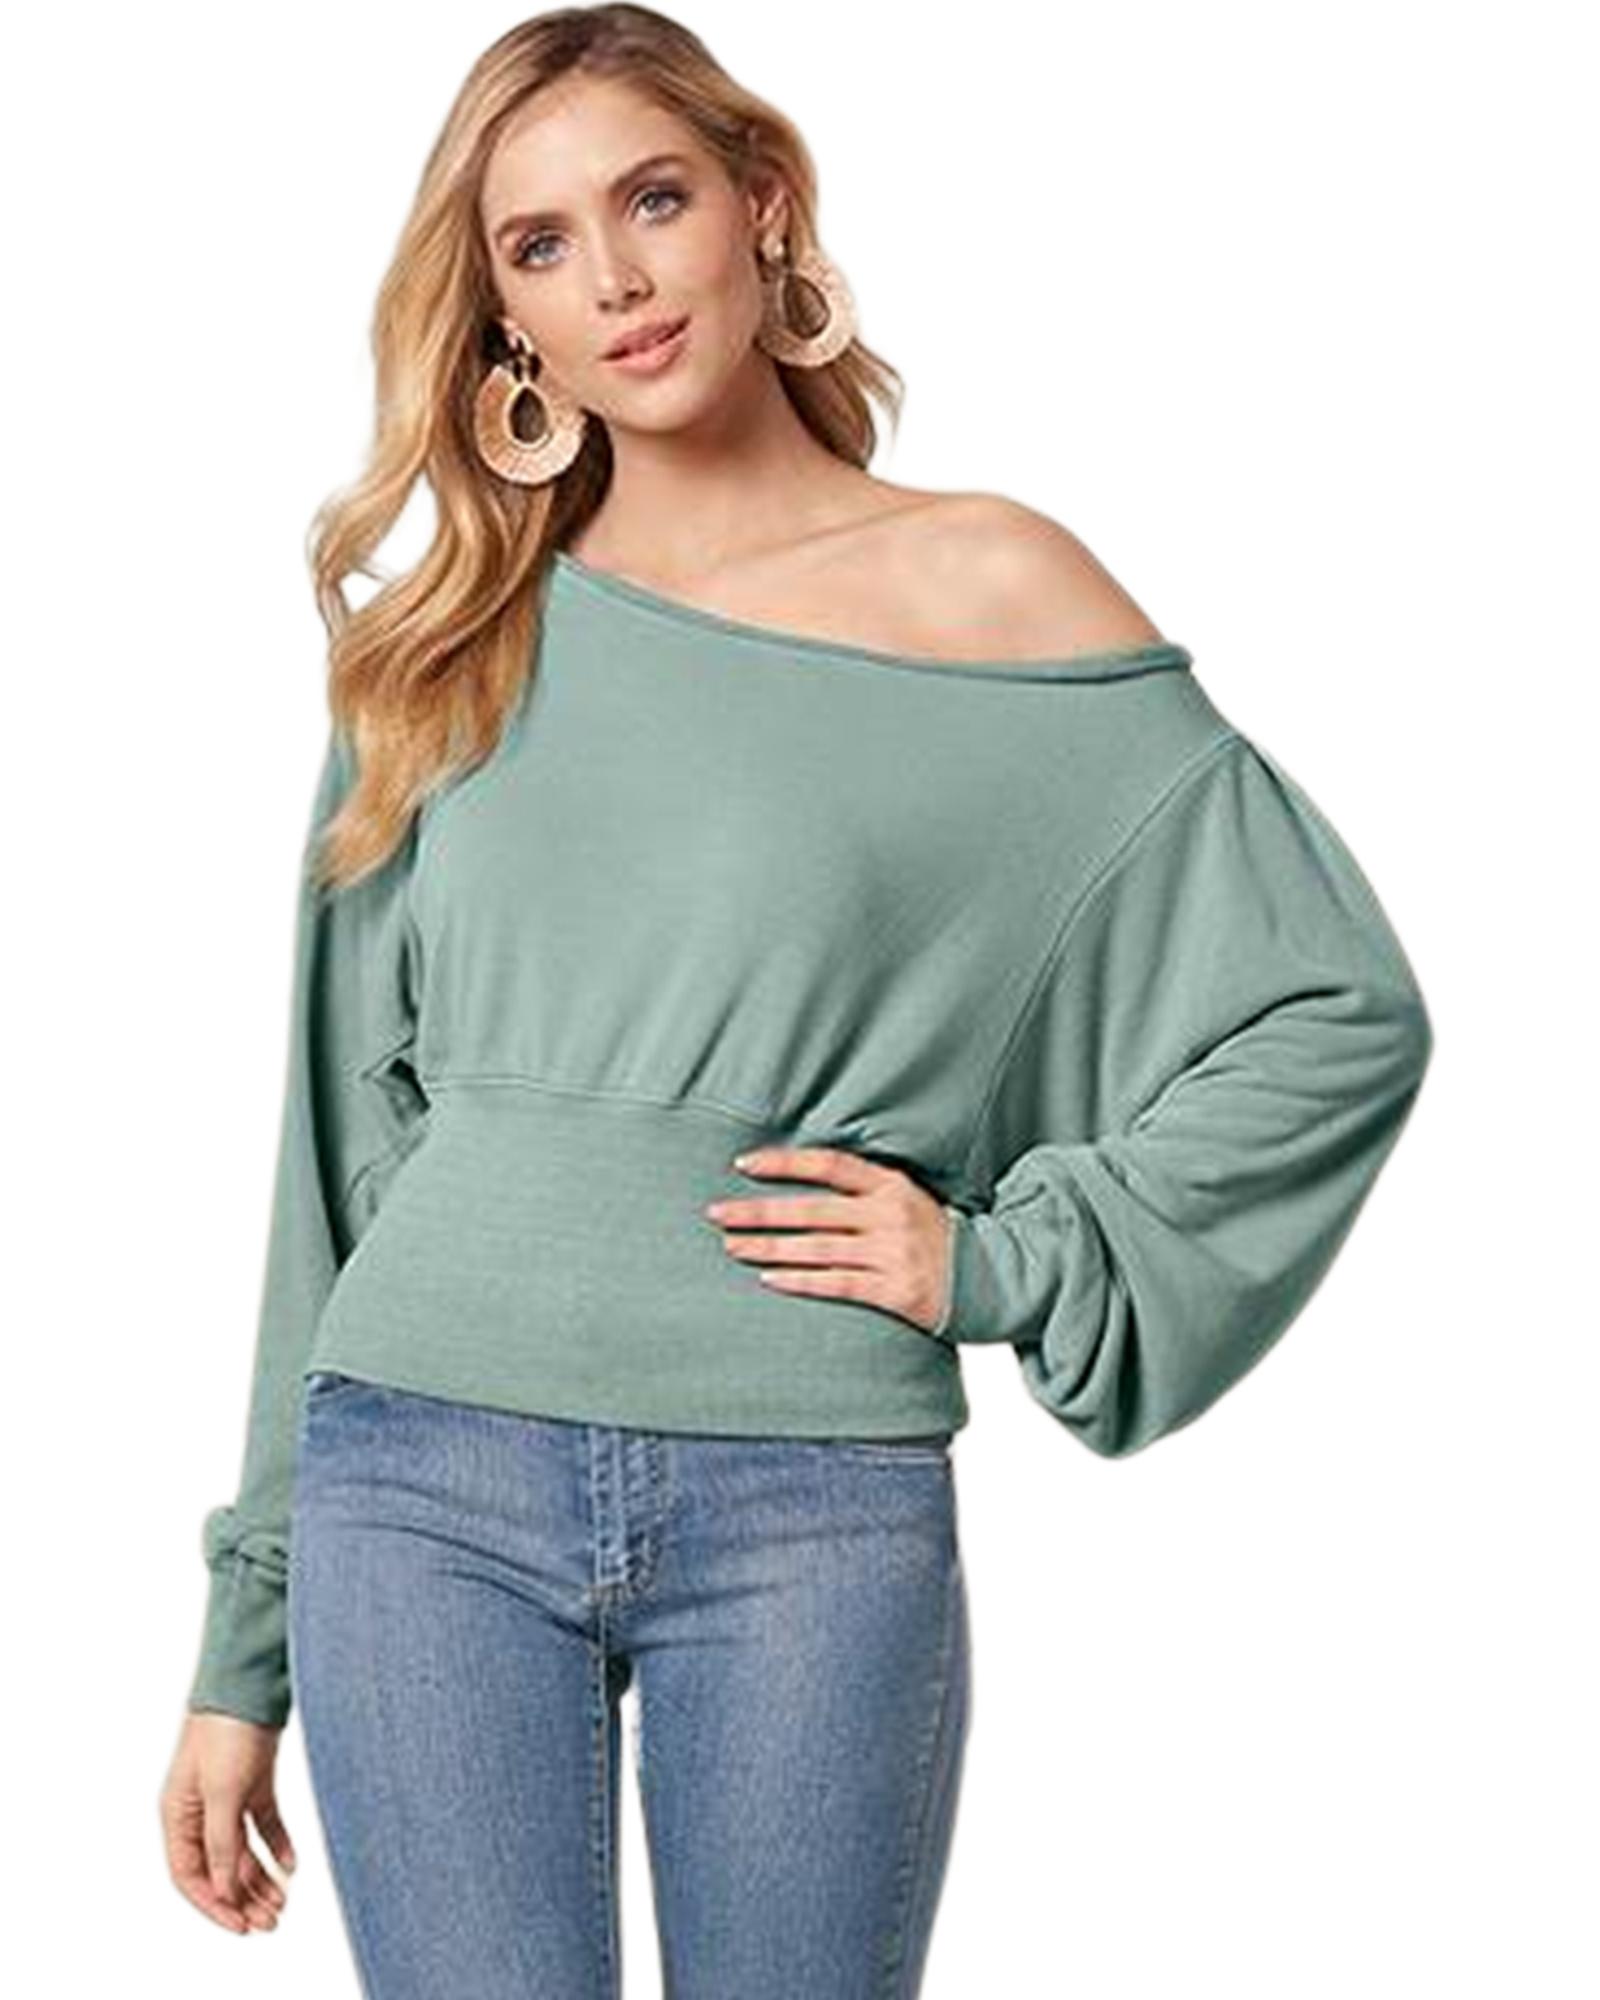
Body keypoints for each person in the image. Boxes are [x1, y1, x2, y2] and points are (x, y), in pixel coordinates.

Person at [157, 7, 1435, 1996]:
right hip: (416, 1484)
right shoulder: (445, 646)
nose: (617, 278)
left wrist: (999, 1260)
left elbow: (1330, 1006)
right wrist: (241, 1653)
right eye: (541, 244)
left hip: (808, 1499)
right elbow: (334, 1172)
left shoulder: (989, 589)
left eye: (654, 199)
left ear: (763, 204)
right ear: (504, 321)